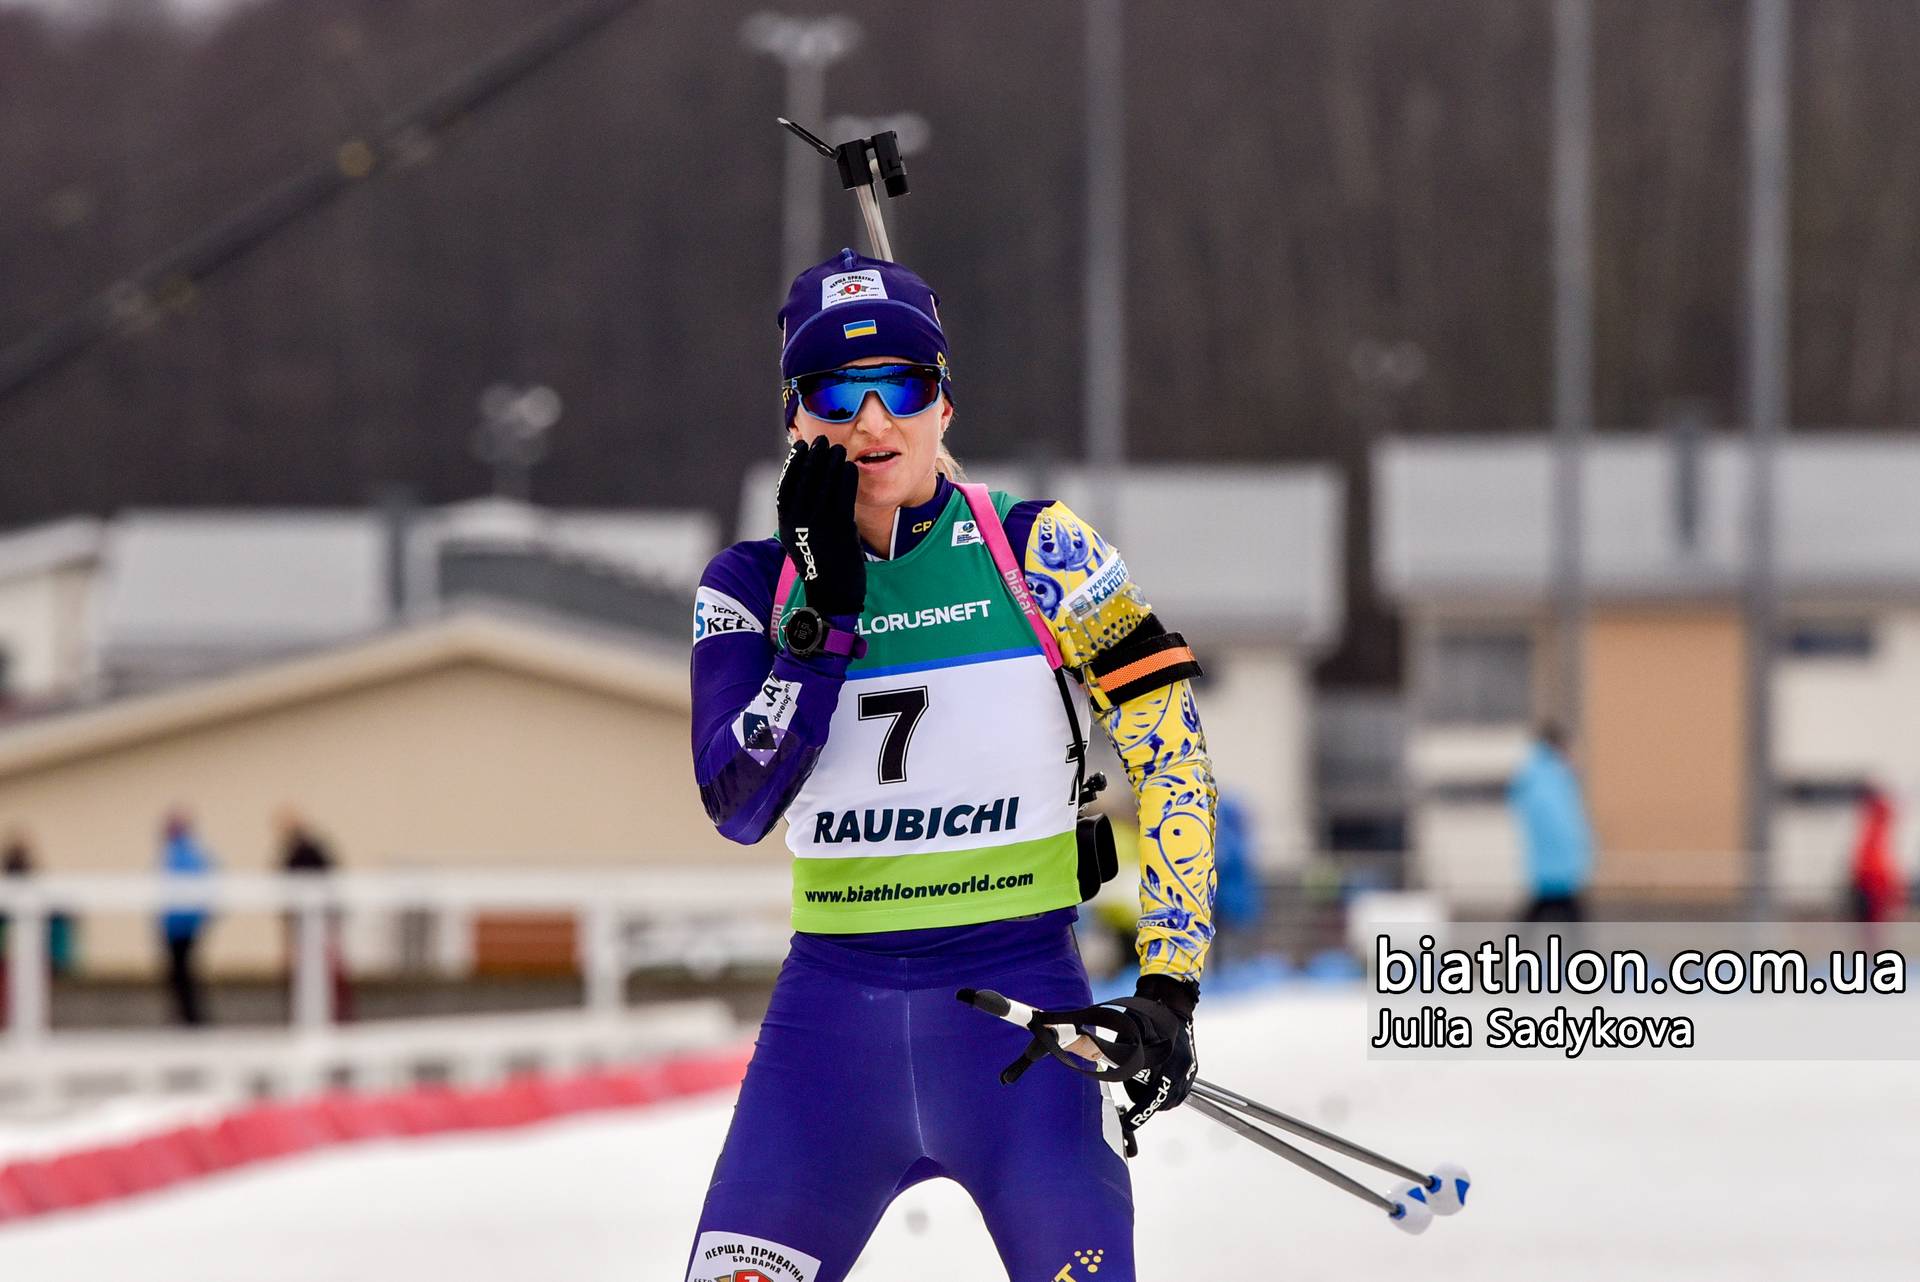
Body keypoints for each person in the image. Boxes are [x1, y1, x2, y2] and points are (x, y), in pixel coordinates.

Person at [685, 249, 1218, 1280]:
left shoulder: (1044, 553)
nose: (873, 420)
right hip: (826, 1043)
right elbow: (736, 803)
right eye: (838, 391)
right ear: (795, 416)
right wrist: (825, 619)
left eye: (905, 385)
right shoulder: (752, 584)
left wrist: (1169, 986)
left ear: (946, 404)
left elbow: (1173, 759)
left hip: (1022, 1028)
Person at [1508, 723, 1594, 922]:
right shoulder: (1548, 777)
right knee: (1566, 914)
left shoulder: (1543, 774)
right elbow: (1560, 822)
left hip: (1551, 864)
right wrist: (1578, 850)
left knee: (1549, 912)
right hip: (1556, 863)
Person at [278, 808, 352, 1023]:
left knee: (325, 966)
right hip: (311, 917)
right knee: (319, 966)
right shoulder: (304, 850)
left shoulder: (305, 851)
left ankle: (335, 1013)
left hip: (316, 917)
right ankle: (327, 1012)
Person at [157, 809, 214, 1027]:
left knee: (182, 975)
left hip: (182, 926)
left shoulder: (183, 855)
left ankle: (192, 1019)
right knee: (180, 975)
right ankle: (186, 1017)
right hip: (178, 925)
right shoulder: (181, 853)